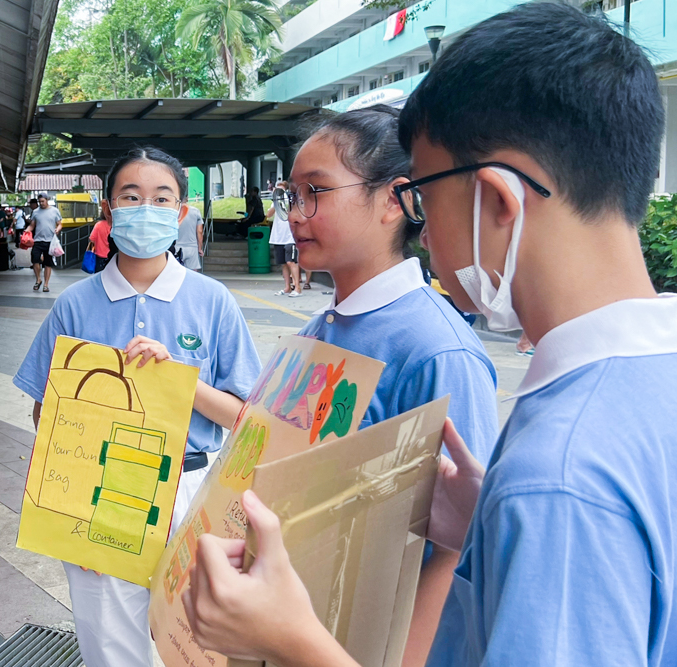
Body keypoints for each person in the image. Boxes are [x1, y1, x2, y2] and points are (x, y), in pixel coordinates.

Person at [183, 5, 677, 667]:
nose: (421, 224)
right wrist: (488, 521)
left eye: (426, 192)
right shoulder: (637, 386)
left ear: (497, 200)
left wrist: (291, 640)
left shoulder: (557, 474)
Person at [14, 147, 262, 667]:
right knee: (112, 644)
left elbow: (246, 419)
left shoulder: (213, 300)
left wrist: (177, 380)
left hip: (195, 488)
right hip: (101, 488)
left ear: (180, 211)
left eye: (161, 197)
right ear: (109, 209)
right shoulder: (76, 304)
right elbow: (45, 416)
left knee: (201, 642)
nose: (145, 207)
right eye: (131, 196)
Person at [279, 105, 498, 663]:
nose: (295, 215)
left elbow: (461, 551)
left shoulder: (436, 350)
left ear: (394, 199)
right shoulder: (318, 328)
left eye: (315, 192)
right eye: (291, 195)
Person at [268, 180, 301, 296]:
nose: (279, 191)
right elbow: (268, 214)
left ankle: (297, 287)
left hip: (290, 237)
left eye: (281, 189)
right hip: (278, 236)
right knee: (283, 263)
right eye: (278, 189)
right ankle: (287, 287)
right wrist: (275, 202)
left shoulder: (291, 200)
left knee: (291, 261)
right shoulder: (276, 201)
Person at [25, 193, 62, 292]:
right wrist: (27, 231)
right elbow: (32, 225)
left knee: (47, 263)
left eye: (43, 201)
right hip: (37, 240)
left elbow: (59, 224)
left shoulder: (54, 211)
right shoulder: (36, 212)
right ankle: (38, 279)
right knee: (35, 260)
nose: (41, 203)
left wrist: (57, 229)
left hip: (50, 241)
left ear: (47, 200)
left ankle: (46, 284)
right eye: (39, 202)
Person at [176, 204, 204, 271]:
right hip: (192, 247)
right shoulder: (195, 211)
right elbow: (200, 231)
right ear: (187, 197)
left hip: (176, 247)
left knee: (175, 272)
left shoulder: (173, 210)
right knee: (193, 274)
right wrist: (199, 248)